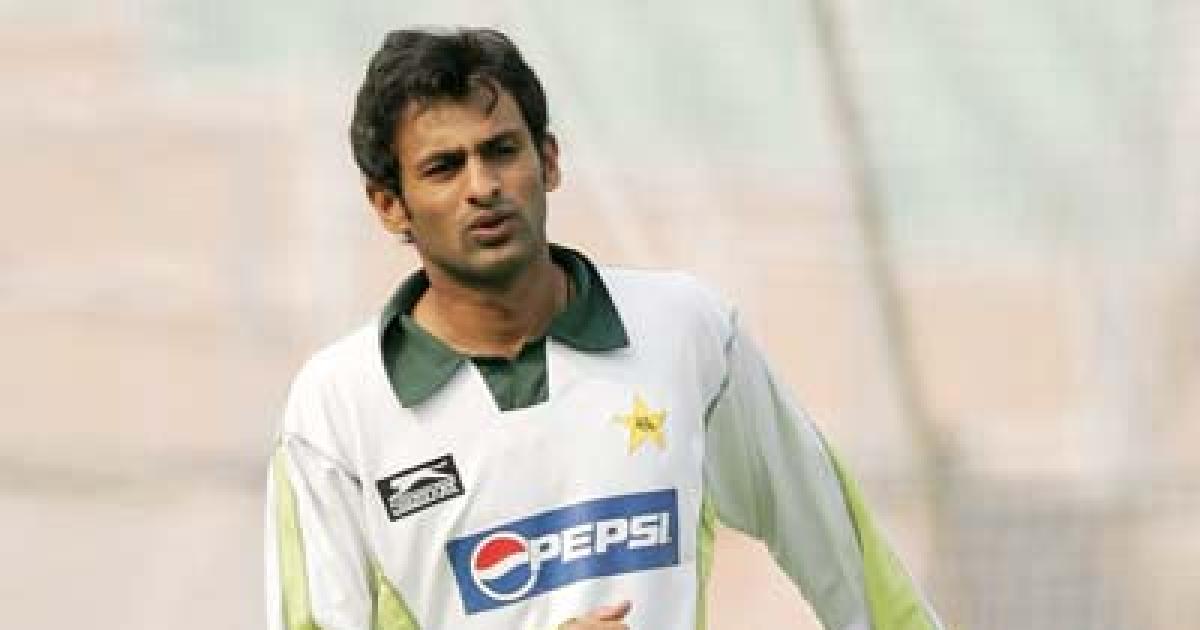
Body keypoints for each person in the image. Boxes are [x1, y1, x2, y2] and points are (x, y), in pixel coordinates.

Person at [265, 27, 943, 630]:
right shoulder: (336, 409)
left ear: (549, 161)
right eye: (444, 167)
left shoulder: (685, 331)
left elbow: (846, 558)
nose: (483, 186)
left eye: (502, 151)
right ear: (390, 205)